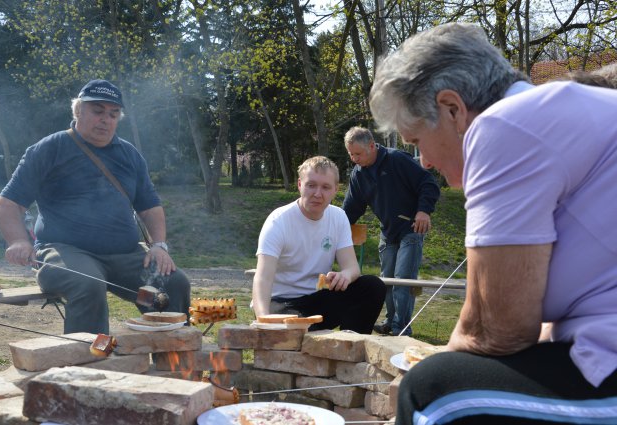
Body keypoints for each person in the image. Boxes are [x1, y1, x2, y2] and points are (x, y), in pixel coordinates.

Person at [370, 23, 617, 425]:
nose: (425, 163)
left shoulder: (503, 125)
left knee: (431, 392)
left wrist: (428, 377)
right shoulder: (554, 111)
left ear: (452, 109)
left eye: (416, 141)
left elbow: (500, 329)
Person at [0, 79, 191, 335]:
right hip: (64, 251)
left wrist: (159, 245)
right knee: (87, 283)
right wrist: (18, 241)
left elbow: (150, 206)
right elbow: (7, 204)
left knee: (171, 284)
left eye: (113, 113)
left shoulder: (130, 155)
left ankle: (171, 363)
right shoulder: (48, 149)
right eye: (98, 111)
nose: (105, 119)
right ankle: (88, 365)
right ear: (78, 111)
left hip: (125, 255)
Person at [252, 156, 386, 334]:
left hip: (318, 298)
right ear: (300, 185)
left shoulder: (338, 217)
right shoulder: (278, 221)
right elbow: (263, 278)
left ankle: (351, 347)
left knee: (372, 286)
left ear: (335, 190)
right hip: (282, 302)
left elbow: (352, 267)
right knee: (298, 327)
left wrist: (345, 276)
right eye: (311, 185)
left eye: (325, 187)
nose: (317, 194)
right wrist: (263, 319)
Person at [342, 126, 440, 337]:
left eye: (357, 153)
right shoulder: (358, 175)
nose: (354, 159)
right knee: (386, 280)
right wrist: (337, 226)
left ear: (371, 146)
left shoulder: (397, 159)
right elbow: (352, 207)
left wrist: (424, 211)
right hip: (388, 231)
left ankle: (401, 328)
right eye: (350, 154)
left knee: (403, 280)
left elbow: (428, 183)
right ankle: (389, 322)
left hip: (412, 228)